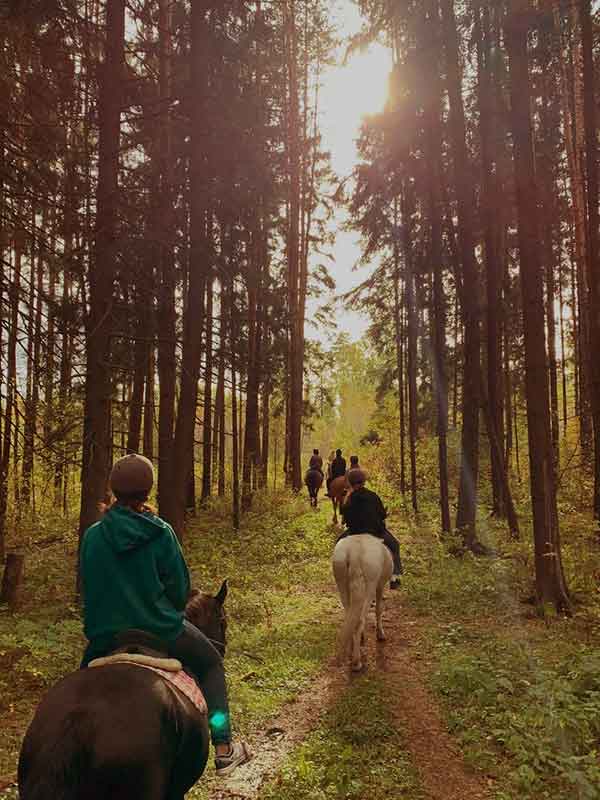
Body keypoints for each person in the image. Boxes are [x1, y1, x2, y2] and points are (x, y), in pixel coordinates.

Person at [79, 453, 251, 777]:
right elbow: (179, 592)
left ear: (113, 489)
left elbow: (89, 588)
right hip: (160, 630)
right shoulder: (161, 533)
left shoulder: (93, 536)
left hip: (105, 638)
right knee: (212, 664)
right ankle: (224, 747)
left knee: (78, 687)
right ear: (148, 490)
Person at [339, 468, 403, 589]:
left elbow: (345, 519)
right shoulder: (373, 496)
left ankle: (342, 576)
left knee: (338, 544)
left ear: (350, 482)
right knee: (395, 545)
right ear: (363, 481)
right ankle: (395, 577)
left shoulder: (347, 498)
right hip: (376, 532)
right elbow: (382, 515)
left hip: (354, 532)